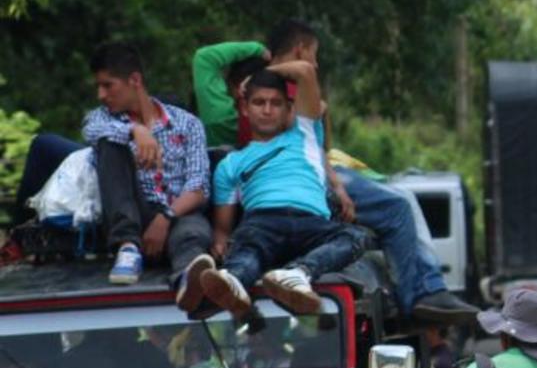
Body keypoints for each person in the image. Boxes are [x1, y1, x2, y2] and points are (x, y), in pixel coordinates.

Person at [257, 20, 478, 324]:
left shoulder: (294, 92)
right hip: (294, 177)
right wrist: (267, 69)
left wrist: (338, 182)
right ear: (301, 50)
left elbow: (320, 147)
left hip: (320, 171)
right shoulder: (272, 89)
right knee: (396, 207)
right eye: (314, 54)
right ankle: (420, 294)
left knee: (399, 200)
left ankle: (427, 288)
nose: (316, 63)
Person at [195, 67, 362, 319]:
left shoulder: (305, 134)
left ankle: (297, 274)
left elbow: (305, 71)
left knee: (354, 238)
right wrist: (219, 244)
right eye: (258, 102)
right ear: (244, 108)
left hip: (312, 223)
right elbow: (223, 230)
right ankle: (233, 282)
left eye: (276, 103)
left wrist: (259, 73)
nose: (267, 109)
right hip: (263, 222)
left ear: (288, 110)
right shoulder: (230, 163)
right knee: (247, 250)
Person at [81, 43, 213, 288]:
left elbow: (198, 187)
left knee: (194, 232)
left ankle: (189, 281)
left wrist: (165, 218)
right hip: (132, 212)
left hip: (176, 215)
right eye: (98, 87)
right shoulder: (103, 117)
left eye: (108, 85)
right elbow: (90, 130)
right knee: (110, 143)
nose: (101, 95)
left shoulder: (188, 124)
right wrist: (134, 130)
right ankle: (128, 248)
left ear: (134, 80)